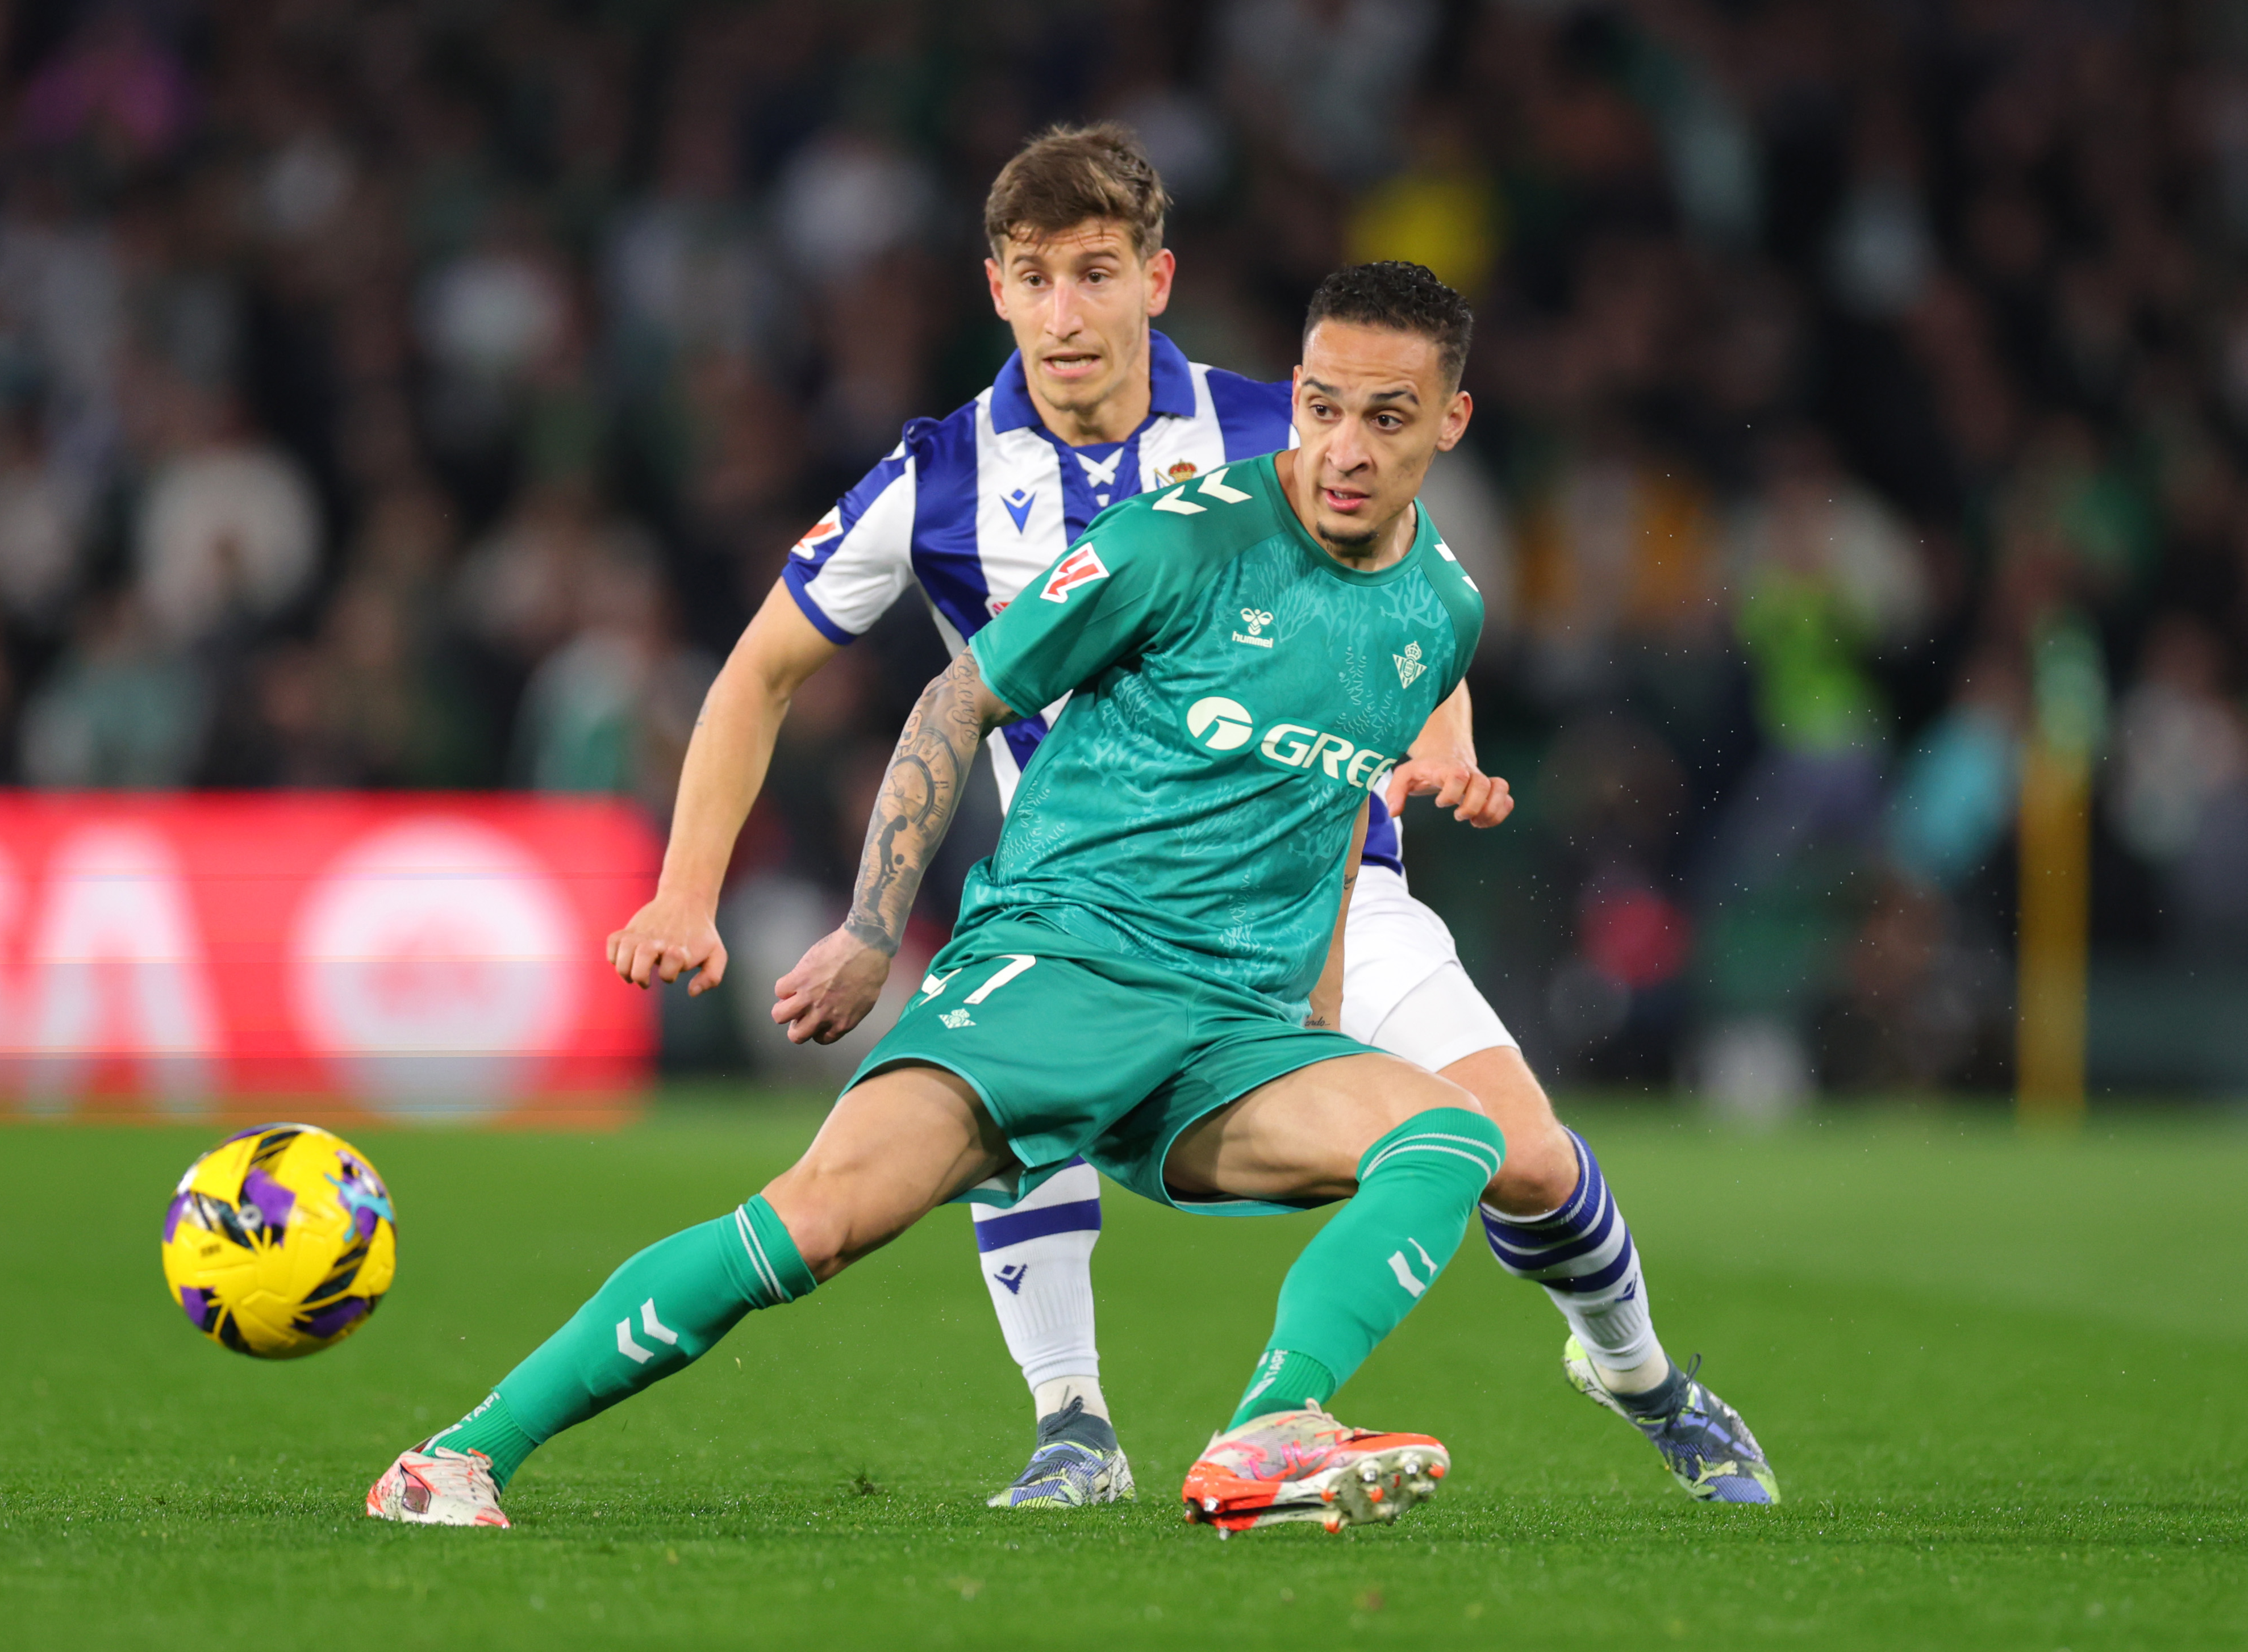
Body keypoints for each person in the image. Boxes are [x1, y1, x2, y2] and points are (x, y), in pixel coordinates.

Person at [621, 126, 1774, 1508]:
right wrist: (688, 889)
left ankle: (1639, 1373)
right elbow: (759, 666)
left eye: (1094, 272)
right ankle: (1073, 1421)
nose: (1066, 311)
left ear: (1153, 280)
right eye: (1036, 277)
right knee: (1007, 1096)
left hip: (1328, 882)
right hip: (1087, 909)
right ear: (994, 287)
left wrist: (1442, 742)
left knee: (1521, 1156)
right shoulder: (938, 477)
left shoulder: (1284, 421)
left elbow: (1422, 597)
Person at [372, 261, 1505, 1534]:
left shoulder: (1443, 612)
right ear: (1293, 394)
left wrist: (1317, 1016)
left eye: (1389, 419)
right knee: (813, 1224)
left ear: (1448, 423)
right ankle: (454, 1456)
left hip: (1226, 1037)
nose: (1347, 449)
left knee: (1454, 1136)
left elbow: (1326, 833)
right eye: (1326, 409)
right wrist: (872, 928)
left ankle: (1264, 1431)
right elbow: (957, 697)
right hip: (1060, 975)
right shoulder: (1177, 537)